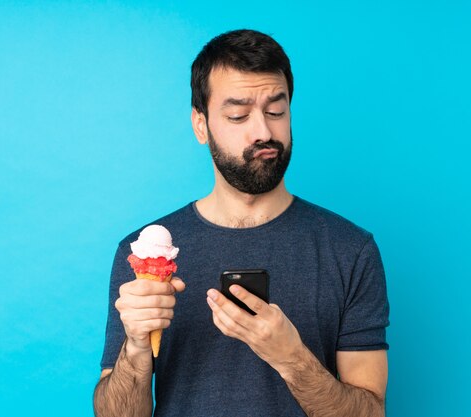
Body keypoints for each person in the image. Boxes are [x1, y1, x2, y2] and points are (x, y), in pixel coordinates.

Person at [93, 29, 390, 417]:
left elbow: (371, 412)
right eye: (238, 115)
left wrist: (292, 359)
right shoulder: (139, 253)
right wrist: (134, 346)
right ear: (201, 125)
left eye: (276, 111)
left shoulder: (351, 250)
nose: (263, 132)